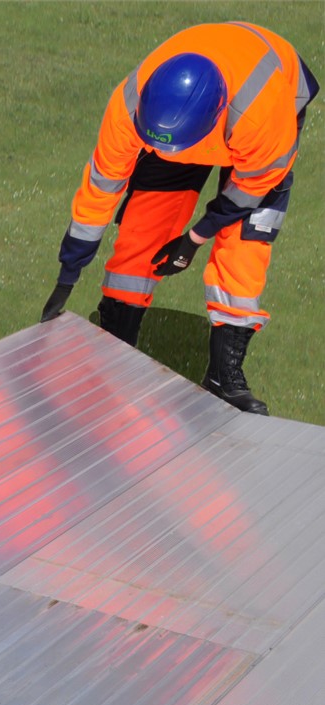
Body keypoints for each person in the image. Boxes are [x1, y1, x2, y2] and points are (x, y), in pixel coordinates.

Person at [40, 21, 317, 416]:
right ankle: (115, 343)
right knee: (144, 225)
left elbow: (248, 191)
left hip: (256, 128)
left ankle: (224, 376)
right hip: (188, 121)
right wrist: (69, 272)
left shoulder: (261, 117)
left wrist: (194, 240)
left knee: (245, 244)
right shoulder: (130, 107)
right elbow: (101, 188)